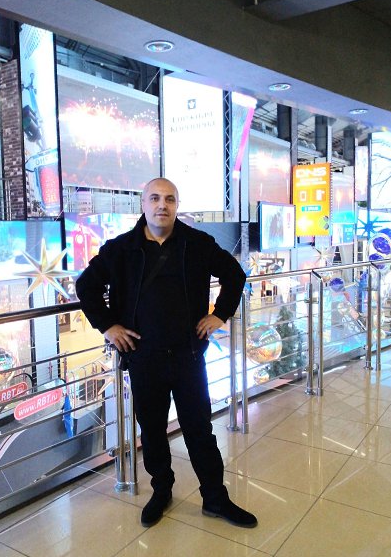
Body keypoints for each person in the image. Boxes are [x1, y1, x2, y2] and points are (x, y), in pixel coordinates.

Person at [76, 177, 257, 529]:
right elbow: (86, 286)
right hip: (144, 358)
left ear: (177, 206)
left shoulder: (197, 243)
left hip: (188, 357)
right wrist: (108, 326)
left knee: (199, 430)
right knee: (153, 430)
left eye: (170, 199)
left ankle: (215, 498)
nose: (163, 205)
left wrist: (219, 314)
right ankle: (162, 491)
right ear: (143, 204)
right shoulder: (121, 249)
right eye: (155, 198)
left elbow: (235, 275)